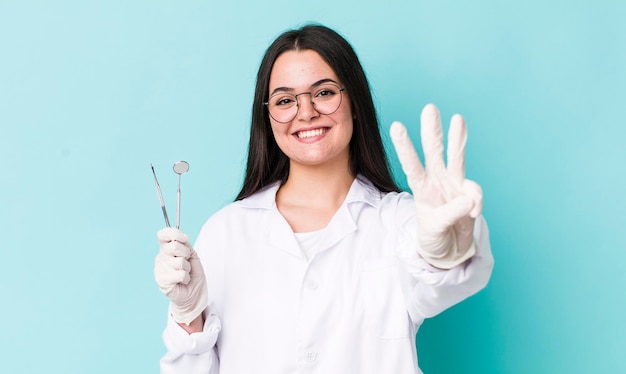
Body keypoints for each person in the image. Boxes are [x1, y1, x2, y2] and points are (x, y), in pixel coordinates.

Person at [154, 24, 494, 374]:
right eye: (285, 100)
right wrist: (188, 316)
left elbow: (449, 282)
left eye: (324, 93)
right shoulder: (227, 231)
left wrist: (450, 251)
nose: (306, 113)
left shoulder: (400, 221)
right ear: (267, 118)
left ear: (355, 102)